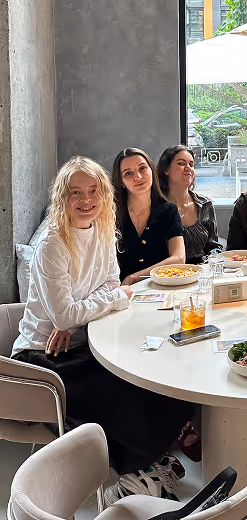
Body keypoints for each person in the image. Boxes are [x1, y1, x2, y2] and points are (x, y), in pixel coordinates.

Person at [12, 157, 192, 504]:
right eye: (76, 192)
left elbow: (108, 283)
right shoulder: (53, 244)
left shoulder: (103, 229)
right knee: (123, 392)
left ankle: (146, 466)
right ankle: (131, 479)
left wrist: (79, 316)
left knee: (152, 375)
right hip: (39, 357)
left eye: (94, 191)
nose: (86, 199)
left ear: (105, 195)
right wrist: (96, 307)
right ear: (62, 197)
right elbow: (69, 314)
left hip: (78, 342)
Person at [113, 147, 185, 284]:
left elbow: (179, 258)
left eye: (142, 169)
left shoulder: (169, 210)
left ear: (152, 170)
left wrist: (133, 278)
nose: (138, 177)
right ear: (121, 181)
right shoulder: (110, 214)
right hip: (119, 292)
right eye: (128, 173)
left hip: (160, 288)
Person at [157, 145, 222, 264]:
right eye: (181, 164)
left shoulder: (205, 204)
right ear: (166, 170)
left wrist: (213, 260)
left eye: (191, 165)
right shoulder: (155, 206)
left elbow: (213, 246)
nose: (188, 168)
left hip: (202, 274)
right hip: (167, 276)